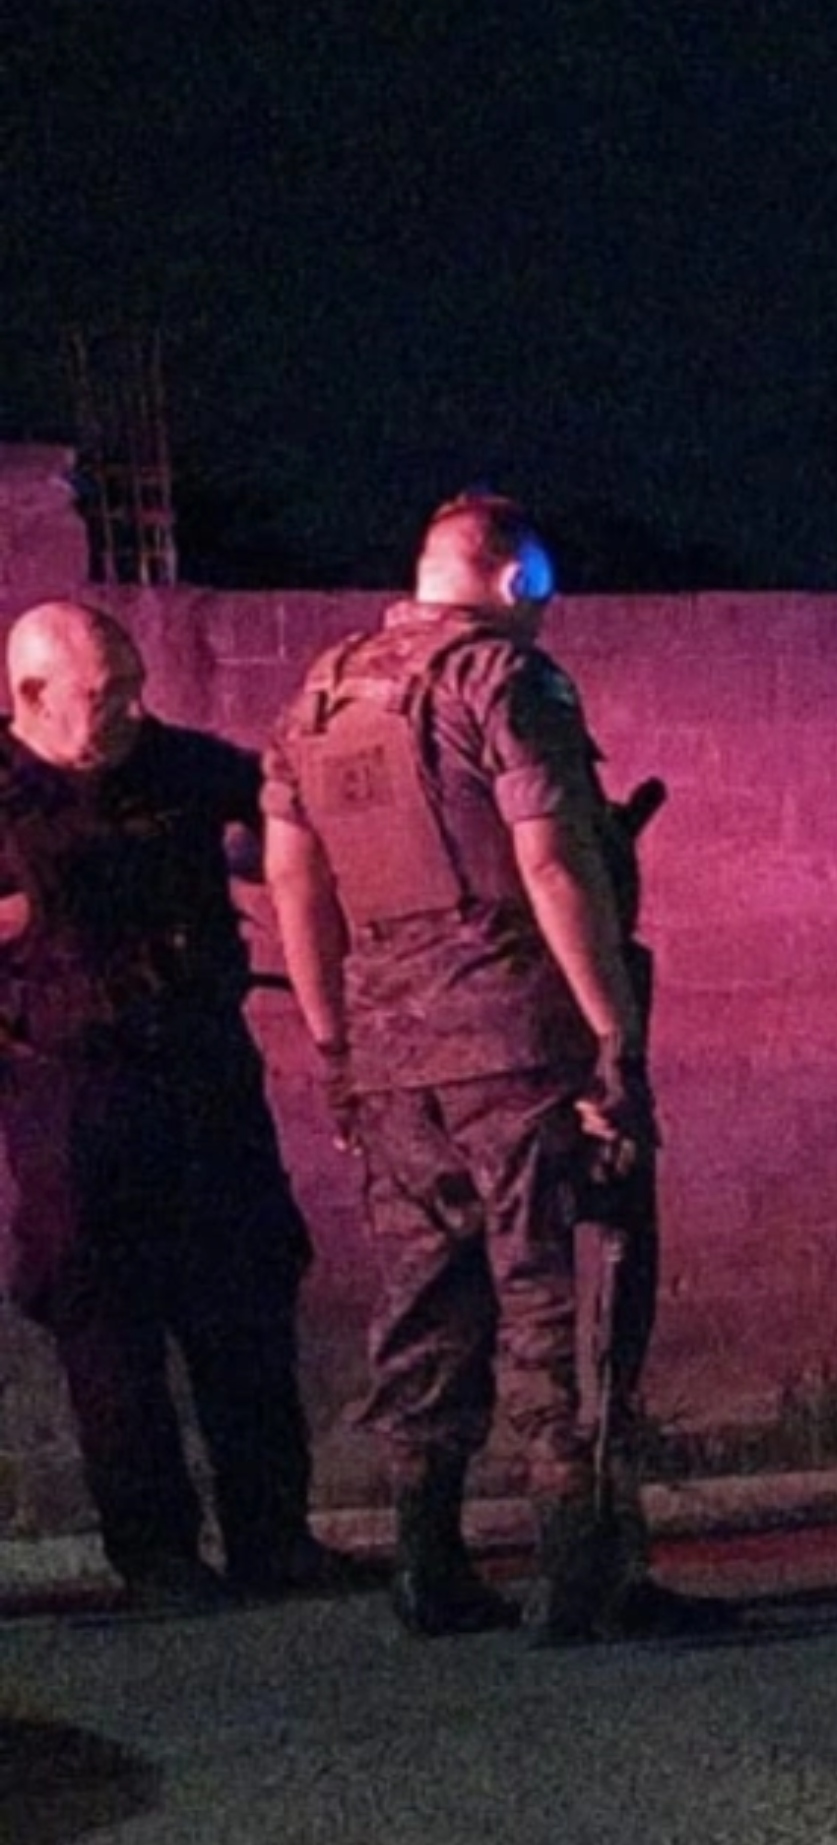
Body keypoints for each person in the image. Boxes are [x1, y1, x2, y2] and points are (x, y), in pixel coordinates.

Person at [261, 494, 725, 1643]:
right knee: (557, 1301)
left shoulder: (317, 697)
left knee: (425, 1305)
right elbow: (555, 861)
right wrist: (612, 1036)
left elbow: (296, 887)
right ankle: (585, 1571)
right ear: (514, 581)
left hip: (391, 1063)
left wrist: (333, 1045)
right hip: (517, 1046)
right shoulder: (505, 682)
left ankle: (428, 1565)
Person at [0, 600, 370, 1611]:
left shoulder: (189, 770)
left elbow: (284, 846)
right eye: (100, 695)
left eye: (130, 685)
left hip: (204, 1081)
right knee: (107, 1329)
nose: (127, 708)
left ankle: (273, 1538)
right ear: (28, 697)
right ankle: (158, 1558)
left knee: (245, 1306)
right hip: (72, 1097)